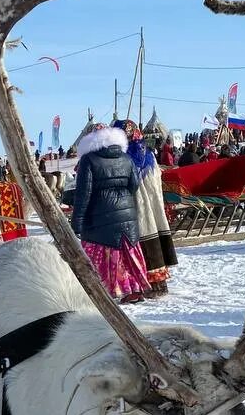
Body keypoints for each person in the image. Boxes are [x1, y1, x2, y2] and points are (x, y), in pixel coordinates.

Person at [70, 126, 149, 303]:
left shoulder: (88, 160)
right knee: (125, 253)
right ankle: (132, 289)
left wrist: (77, 223)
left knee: (101, 252)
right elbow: (134, 185)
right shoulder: (126, 158)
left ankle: (102, 291)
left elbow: (83, 194)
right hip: (126, 213)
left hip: (100, 217)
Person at [122, 124, 177, 297]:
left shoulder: (126, 158)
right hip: (154, 205)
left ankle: (143, 283)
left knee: (141, 241)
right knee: (154, 238)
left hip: (137, 206)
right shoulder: (149, 154)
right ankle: (159, 284)